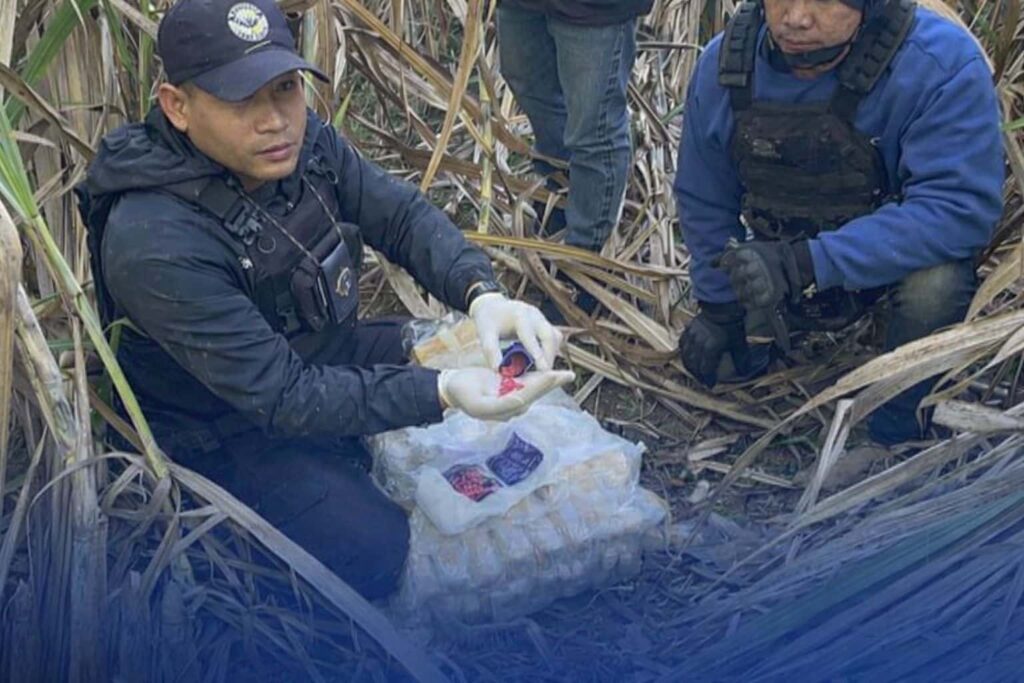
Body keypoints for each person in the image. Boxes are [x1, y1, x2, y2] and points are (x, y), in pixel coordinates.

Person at [75, 0, 572, 599]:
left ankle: (356, 448)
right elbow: (284, 396)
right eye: (242, 99)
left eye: (285, 88)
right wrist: (438, 393)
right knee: (375, 550)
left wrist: (482, 294)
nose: (275, 121)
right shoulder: (153, 240)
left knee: (460, 352)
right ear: (177, 106)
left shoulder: (302, 143)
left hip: (311, 353)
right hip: (219, 428)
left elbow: (401, 217)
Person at [675, 0, 1003, 452]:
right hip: (777, 259)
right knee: (720, 365)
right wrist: (719, 307)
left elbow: (958, 209)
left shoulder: (939, 65)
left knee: (937, 286)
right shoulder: (726, 65)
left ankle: (895, 428)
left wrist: (809, 263)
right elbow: (704, 197)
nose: (796, 18)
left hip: (883, 264)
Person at [496, 0, 652, 321]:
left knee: (594, 130)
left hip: (595, 7)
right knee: (530, 87)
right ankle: (562, 195)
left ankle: (584, 264)